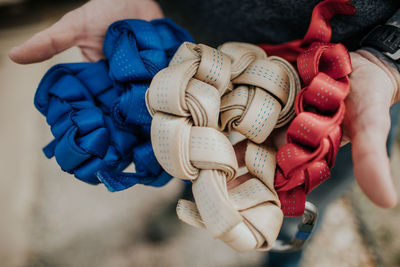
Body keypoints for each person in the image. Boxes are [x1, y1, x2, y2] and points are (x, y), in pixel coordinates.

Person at [9, 0, 400, 266]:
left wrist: (388, 55)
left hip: (334, 92)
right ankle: (188, 199)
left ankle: (287, 252)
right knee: (192, 159)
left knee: (301, 198)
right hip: (192, 46)